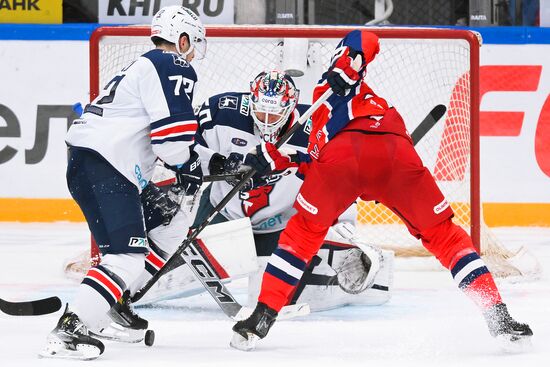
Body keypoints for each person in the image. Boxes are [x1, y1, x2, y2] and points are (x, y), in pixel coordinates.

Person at [231, 30, 533, 351]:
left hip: (343, 160)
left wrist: (342, 69)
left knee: (303, 234)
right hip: (394, 154)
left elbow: (362, 39)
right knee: (445, 236)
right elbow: (311, 161)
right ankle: (499, 316)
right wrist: (275, 159)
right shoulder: (325, 116)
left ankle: (262, 317)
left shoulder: (326, 88)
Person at [133, 70, 393, 312]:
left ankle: (340, 263)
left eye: (274, 115)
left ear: (290, 108)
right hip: (223, 211)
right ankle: (123, 289)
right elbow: (183, 151)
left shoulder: (315, 129)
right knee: (155, 284)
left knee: (269, 293)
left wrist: (348, 220)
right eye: (261, 113)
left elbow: (340, 178)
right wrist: (218, 164)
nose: (267, 122)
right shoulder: (221, 112)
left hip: (279, 224)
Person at [40, 6, 206, 360]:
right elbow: (172, 142)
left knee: (170, 221)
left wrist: (187, 164)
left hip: (92, 162)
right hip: (108, 166)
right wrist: (189, 165)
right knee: (127, 257)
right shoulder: (173, 64)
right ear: (182, 39)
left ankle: (112, 304)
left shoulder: (141, 65)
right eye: (192, 44)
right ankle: (69, 330)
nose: (193, 53)